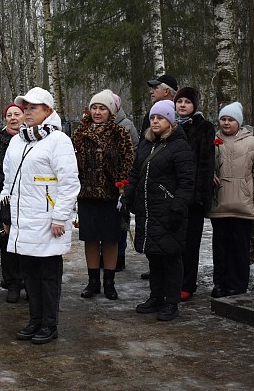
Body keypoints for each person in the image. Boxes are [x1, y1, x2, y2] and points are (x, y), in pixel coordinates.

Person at [0, 87, 80, 344]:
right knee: (29, 275)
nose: (27, 112)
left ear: (48, 110)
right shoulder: (17, 140)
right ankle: (35, 320)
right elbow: (9, 180)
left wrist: (59, 217)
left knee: (48, 275)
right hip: (23, 221)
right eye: (26, 108)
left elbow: (69, 183)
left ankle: (49, 323)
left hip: (47, 221)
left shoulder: (59, 141)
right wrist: (7, 213)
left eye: (33, 108)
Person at [125, 100, 194, 321]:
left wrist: (177, 206)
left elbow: (186, 181)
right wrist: (128, 194)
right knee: (154, 256)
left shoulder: (180, 146)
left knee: (171, 257)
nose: (155, 121)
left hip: (169, 210)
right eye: (153, 118)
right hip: (148, 210)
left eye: (161, 118)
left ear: (171, 122)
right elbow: (135, 172)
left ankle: (171, 302)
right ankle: (156, 297)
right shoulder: (146, 143)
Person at [72, 89, 134, 301]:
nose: (98, 112)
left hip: (110, 194)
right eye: (94, 108)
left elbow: (128, 162)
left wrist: (123, 186)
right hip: (87, 193)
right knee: (90, 238)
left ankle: (109, 282)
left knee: (111, 238)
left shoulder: (120, 133)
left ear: (111, 112)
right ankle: (93, 282)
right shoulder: (80, 133)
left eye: (102, 108)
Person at [208, 102, 254, 298]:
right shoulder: (211, 140)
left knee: (239, 247)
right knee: (220, 247)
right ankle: (220, 283)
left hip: (243, 203)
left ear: (239, 122)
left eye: (231, 120)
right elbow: (201, 162)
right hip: (219, 203)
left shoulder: (253, 144)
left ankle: (237, 284)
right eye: (223, 119)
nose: (226, 123)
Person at [173, 87, 215, 301]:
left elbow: (207, 163)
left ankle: (188, 283)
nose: (182, 105)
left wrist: (200, 195)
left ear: (194, 106)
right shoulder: (169, 125)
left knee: (190, 244)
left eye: (187, 102)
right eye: (179, 101)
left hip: (193, 197)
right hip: (172, 195)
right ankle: (172, 282)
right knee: (173, 242)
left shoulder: (204, 128)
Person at [137, 74, 178, 280]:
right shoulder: (149, 120)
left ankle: (171, 289)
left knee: (171, 245)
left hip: (170, 194)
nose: (151, 91)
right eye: (153, 118)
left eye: (155, 88)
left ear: (167, 91)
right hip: (150, 192)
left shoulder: (179, 119)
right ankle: (156, 277)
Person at [0, 102, 25, 303]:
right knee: (6, 240)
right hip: (2, 197)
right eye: (9, 115)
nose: (12, 118)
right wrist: (1, 179)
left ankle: (27, 280)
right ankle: (12, 282)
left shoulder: (31, 140)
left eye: (16, 114)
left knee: (26, 240)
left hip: (27, 197)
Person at [112, 92, 139, 271]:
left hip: (122, 180)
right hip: (103, 182)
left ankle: (119, 255)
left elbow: (134, 150)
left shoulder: (126, 125)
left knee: (120, 220)